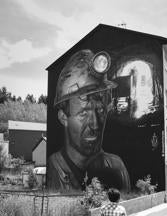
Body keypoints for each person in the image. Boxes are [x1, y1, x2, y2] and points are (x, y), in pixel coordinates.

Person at [47, 49, 131, 192]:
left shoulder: (117, 168)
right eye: (83, 113)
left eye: (100, 111)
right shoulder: (54, 169)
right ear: (63, 117)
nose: (95, 124)